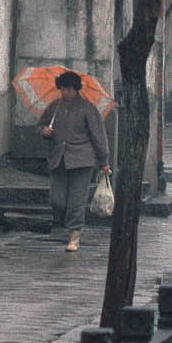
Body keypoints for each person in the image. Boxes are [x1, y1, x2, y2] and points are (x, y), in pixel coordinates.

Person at [39, 69, 111, 252]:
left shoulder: (88, 108)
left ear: (76, 89)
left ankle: (74, 236)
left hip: (82, 160)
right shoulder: (54, 107)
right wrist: (44, 131)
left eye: (70, 89)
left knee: (77, 201)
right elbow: (41, 124)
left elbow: (98, 135)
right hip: (58, 159)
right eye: (63, 89)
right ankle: (68, 224)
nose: (66, 93)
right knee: (57, 200)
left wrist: (104, 161)